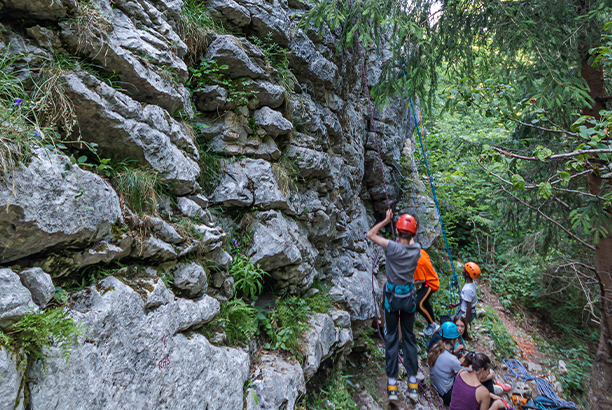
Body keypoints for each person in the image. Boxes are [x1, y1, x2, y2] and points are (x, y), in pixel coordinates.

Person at [367, 210, 420, 402]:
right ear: (413, 235)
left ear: (397, 233)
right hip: (408, 301)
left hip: (392, 299)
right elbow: (411, 240)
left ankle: (392, 386)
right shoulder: (417, 250)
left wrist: (386, 220)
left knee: (391, 338)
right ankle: (413, 385)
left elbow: (370, 235)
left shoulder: (391, 247)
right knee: (409, 338)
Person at [428, 322, 466, 406]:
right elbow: (464, 375)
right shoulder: (452, 359)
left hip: (435, 385)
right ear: (453, 340)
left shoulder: (436, 347)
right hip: (446, 394)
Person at [414, 248, 440, 336]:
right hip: (433, 279)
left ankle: (432, 325)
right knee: (424, 302)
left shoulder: (417, 263)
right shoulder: (421, 252)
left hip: (430, 283)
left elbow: (421, 280)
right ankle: (433, 322)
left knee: (418, 304)